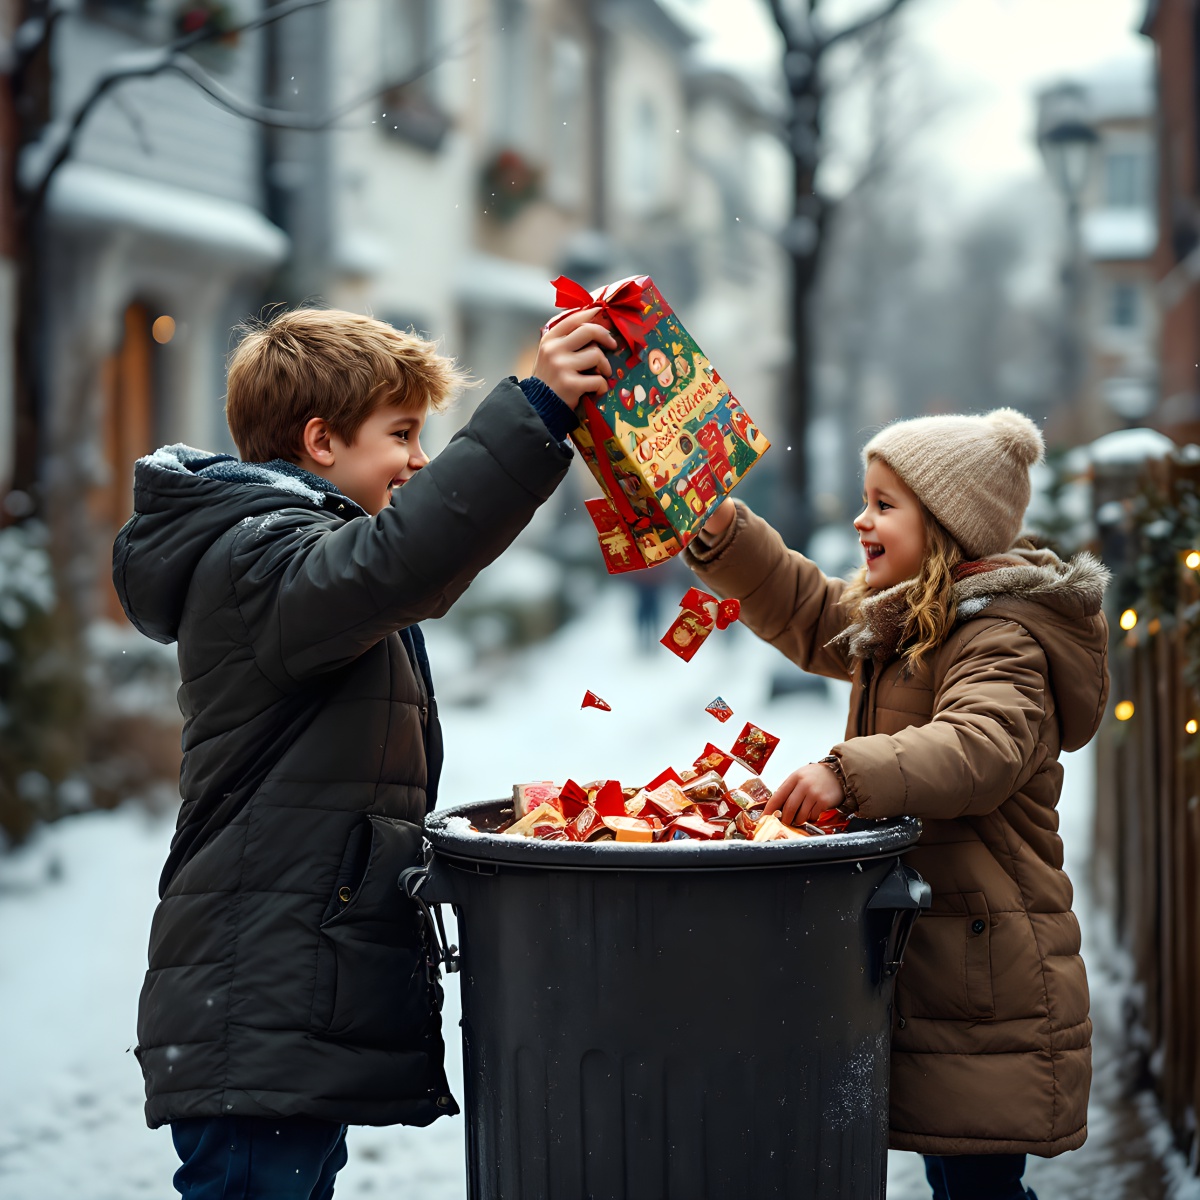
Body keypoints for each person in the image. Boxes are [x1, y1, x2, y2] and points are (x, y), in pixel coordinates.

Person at [112, 304, 617, 1200]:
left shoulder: (289, 554)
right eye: (402, 433)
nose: (419, 459)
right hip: (257, 999)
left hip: (288, 997)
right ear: (320, 441)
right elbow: (406, 559)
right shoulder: (259, 559)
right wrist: (534, 410)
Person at [685, 408, 1109, 1200]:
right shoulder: (913, 620)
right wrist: (721, 529)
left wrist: (849, 773)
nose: (860, 518)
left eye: (884, 503)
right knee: (959, 1182)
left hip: (989, 971)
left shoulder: (1001, 639)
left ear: (946, 529)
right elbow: (809, 610)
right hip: (943, 957)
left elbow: (979, 746)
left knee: (978, 1189)